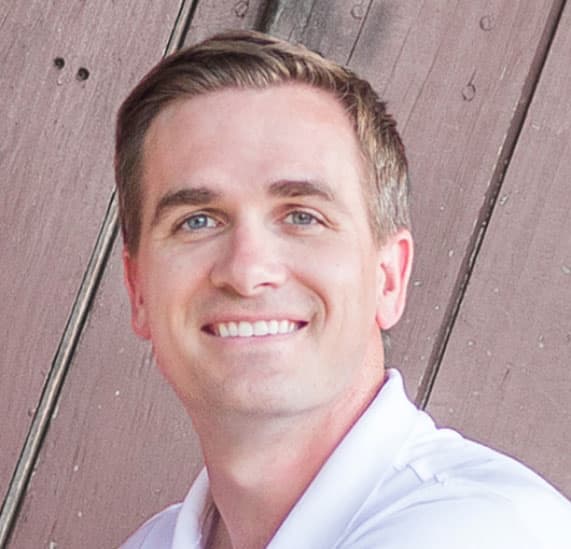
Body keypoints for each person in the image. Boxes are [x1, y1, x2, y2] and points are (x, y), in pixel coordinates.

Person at [116, 30, 571, 549]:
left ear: (388, 278)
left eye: (302, 216)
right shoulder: (154, 542)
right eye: (197, 221)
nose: (247, 271)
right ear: (138, 290)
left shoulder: (486, 531)